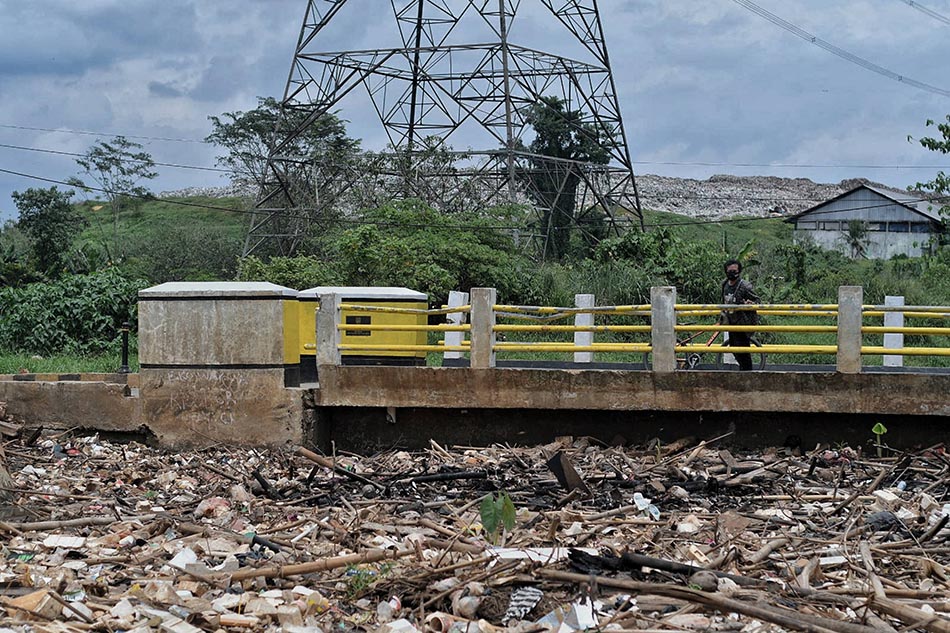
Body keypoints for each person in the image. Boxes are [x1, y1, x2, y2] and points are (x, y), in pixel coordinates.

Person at [721, 259, 760, 371]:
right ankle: (743, 370)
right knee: (733, 348)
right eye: (729, 271)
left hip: (743, 323)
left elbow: (757, 300)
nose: (732, 273)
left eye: (734, 270)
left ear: (739, 271)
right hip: (731, 322)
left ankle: (747, 373)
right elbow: (723, 301)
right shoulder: (724, 285)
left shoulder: (745, 286)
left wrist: (750, 303)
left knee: (744, 351)